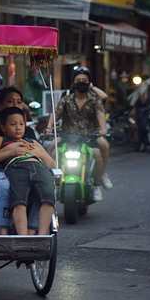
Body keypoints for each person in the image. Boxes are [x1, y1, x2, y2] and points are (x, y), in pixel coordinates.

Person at [0, 106, 56, 235]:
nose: (18, 127)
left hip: (38, 167)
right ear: (3, 127)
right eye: (13, 124)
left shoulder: (31, 141)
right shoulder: (1, 140)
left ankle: (41, 235)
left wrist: (40, 153)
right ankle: (23, 236)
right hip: (17, 169)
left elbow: (51, 164)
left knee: (48, 198)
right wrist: (10, 151)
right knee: (19, 201)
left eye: (21, 124)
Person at [55, 67, 112, 200]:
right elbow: (56, 113)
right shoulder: (66, 98)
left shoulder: (94, 99)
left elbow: (101, 109)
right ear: (73, 82)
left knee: (102, 148)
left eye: (84, 80)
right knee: (52, 147)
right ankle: (54, 181)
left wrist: (103, 129)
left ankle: (99, 178)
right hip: (68, 136)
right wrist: (48, 128)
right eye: (78, 80)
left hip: (89, 136)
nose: (81, 82)